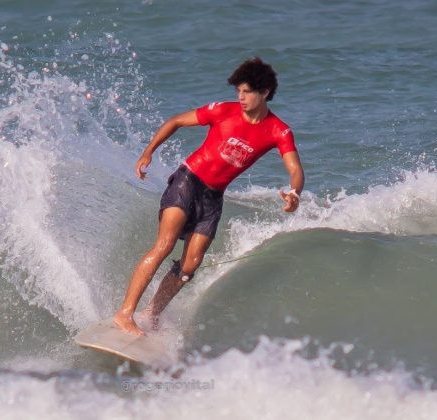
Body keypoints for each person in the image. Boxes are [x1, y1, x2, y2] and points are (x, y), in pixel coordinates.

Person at [113, 57, 305, 336]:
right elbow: (176, 121)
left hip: (213, 197)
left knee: (190, 265)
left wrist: (294, 191)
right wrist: (148, 151)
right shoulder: (222, 111)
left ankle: (151, 314)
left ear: (264, 93)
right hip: (187, 181)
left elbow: (294, 168)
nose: (240, 97)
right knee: (164, 244)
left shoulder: (278, 130)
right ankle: (125, 313)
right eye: (238, 91)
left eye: (247, 92)